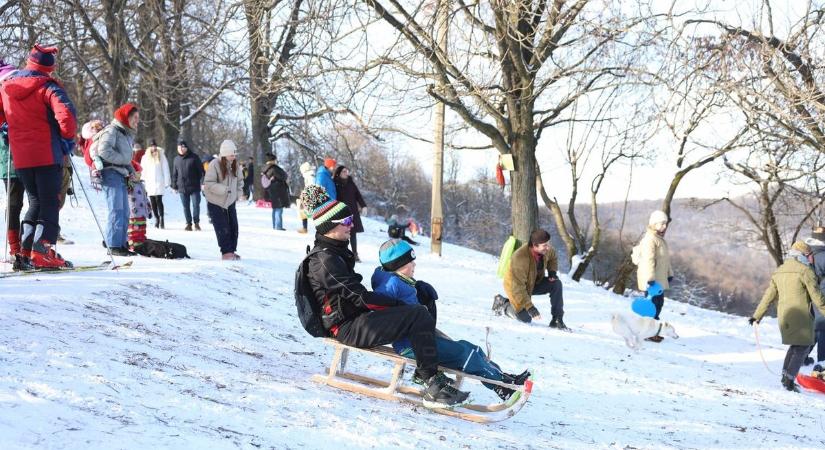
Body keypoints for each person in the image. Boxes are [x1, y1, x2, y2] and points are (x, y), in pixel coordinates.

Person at [299, 184, 469, 407]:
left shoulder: (335, 251)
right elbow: (359, 296)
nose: (352, 226)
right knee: (416, 314)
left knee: (422, 301)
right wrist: (398, 305)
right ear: (331, 227)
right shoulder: (325, 261)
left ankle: (425, 368)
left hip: (355, 318)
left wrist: (410, 294)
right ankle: (431, 383)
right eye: (347, 222)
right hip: (346, 327)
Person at [372, 239, 531, 401]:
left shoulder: (401, 281)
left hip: (422, 338)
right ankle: (502, 387)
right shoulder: (390, 286)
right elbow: (383, 311)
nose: (414, 266)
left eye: (414, 261)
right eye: (409, 263)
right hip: (411, 345)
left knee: (473, 349)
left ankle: (504, 377)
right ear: (397, 266)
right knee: (466, 355)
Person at [0, 45, 77, 269]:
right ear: (49, 68)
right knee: (49, 202)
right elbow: (67, 117)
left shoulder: (6, 88)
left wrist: (10, 128)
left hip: (21, 157)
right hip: (46, 153)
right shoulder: (48, 87)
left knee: (35, 202)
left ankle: (24, 251)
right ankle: (43, 251)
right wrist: (66, 139)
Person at [750, 241, 825, 392]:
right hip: (801, 316)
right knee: (803, 347)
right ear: (803, 255)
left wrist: (757, 316)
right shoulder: (805, 271)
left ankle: (786, 376)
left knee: (795, 346)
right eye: (810, 255)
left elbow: (768, 296)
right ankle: (789, 380)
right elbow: (817, 298)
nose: (812, 258)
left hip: (784, 317)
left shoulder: (780, 271)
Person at [492, 229, 568, 330]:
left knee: (556, 284)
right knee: (525, 318)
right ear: (535, 245)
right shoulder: (520, 258)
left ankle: (557, 319)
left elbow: (553, 257)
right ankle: (502, 304)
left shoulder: (546, 249)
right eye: (545, 245)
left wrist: (552, 272)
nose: (548, 247)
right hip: (515, 287)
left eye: (548, 244)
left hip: (534, 283)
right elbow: (518, 288)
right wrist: (530, 307)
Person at [96, 103, 139, 257]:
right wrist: (122, 161)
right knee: (116, 210)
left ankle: (121, 244)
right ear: (126, 116)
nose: (136, 121)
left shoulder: (125, 133)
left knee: (125, 211)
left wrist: (132, 171)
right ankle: (113, 245)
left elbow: (126, 159)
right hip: (110, 173)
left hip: (121, 173)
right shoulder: (112, 130)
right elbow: (104, 151)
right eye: (134, 117)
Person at [0, 59, 32, 271]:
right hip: (8, 159)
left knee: (35, 202)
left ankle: (31, 246)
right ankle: (14, 247)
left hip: (29, 158)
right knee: (14, 204)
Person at [635, 210, 674, 337]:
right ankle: (649, 333)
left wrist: (669, 273)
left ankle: (651, 332)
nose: (664, 226)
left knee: (658, 305)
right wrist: (650, 278)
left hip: (659, 279)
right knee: (652, 307)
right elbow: (648, 260)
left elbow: (664, 259)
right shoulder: (650, 240)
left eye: (665, 224)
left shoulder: (659, 239)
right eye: (661, 224)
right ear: (653, 224)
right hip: (652, 280)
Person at [203, 140, 243, 260]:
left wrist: (237, 193)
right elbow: (208, 183)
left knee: (233, 226)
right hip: (215, 201)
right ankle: (226, 252)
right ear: (225, 154)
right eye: (231, 154)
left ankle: (232, 250)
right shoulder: (214, 164)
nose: (234, 157)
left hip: (230, 201)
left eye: (235, 154)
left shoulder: (235, 165)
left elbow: (240, 181)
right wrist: (224, 189)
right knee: (222, 227)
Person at [334, 165, 367, 261]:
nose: (346, 173)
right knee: (341, 233)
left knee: (352, 233)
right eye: (343, 171)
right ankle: (341, 254)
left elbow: (358, 195)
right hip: (341, 212)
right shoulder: (335, 183)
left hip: (352, 212)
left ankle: (355, 254)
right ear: (339, 173)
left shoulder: (351, 183)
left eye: (346, 171)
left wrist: (363, 206)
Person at [804, 228, 825, 371]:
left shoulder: (806, 254)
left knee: (816, 329)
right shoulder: (823, 255)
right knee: (823, 330)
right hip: (822, 298)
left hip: (809, 298)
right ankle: (822, 365)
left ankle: (801, 358)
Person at [171, 140, 204, 231]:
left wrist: (202, 182)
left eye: (183, 147)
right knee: (186, 207)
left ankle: (196, 223)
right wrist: (174, 186)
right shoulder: (176, 159)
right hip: (182, 187)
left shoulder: (194, 157)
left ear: (186, 148)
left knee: (196, 205)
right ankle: (188, 224)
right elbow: (174, 174)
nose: (181, 149)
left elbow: (201, 172)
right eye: (179, 147)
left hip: (194, 186)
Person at [140, 140, 170, 229]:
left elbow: (165, 168)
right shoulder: (145, 157)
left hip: (159, 181)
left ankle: (162, 218)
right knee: (152, 201)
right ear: (149, 147)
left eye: (155, 146)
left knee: (159, 200)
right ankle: (156, 218)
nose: (154, 148)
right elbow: (143, 169)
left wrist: (167, 181)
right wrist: (142, 180)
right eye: (152, 146)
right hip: (150, 182)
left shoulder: (161, 155)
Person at [126, 161, 151, 253]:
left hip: (143, 213)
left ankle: (141, 243)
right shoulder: (129, 184)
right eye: (137, 173)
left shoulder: (141, 185)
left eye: (140, 173)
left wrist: (149, 209)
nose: (139, 175)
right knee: (134, 230)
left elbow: (145, 198)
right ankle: (133, 245)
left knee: (142, 229)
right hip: (134, 212)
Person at [262, 153, 290, 230]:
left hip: (271, 190)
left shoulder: (265, 169)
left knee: (275, 208)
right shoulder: (274, 168)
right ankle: (278, 226)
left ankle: (275, 225)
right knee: (279, 208)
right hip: (278, 190)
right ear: (273, 160)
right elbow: (284, 176)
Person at [296, 161, 316, 234]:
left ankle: (305, 228)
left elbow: (311, 187)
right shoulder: (310, 176)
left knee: (306, 212)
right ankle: (304, 228)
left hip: (310, 197)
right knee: (303, 212)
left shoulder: (310, 176)